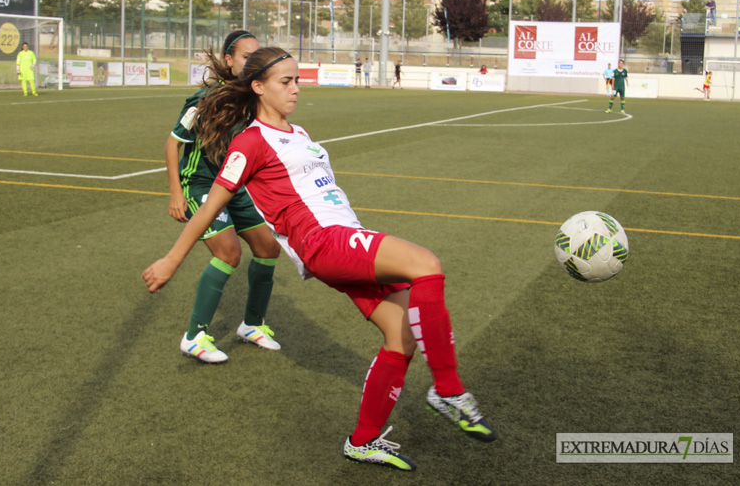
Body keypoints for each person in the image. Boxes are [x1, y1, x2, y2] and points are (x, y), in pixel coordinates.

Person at [143, 46, 498, 471]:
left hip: (344, 237)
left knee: (400, 339)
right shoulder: (249, 141)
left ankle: (363, 442)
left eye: (297, 80)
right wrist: (170, 260)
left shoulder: (300, 133)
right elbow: (209, 207)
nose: (296, 89)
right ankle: (448, 389)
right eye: (285, 82)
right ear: (258, 87)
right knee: (427, 264)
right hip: (323, 243)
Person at [164, 31, 282, 363]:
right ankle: (195, 336)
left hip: (231, 185)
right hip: (200, 184)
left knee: (268, 246)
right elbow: (172, 144)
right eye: (246, 57)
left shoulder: (252, 97)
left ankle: (252, 324)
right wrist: (176, 194)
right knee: (229, 253)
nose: (252, 63)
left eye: (256, 57)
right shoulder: (203, 99)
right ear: (228, 60)